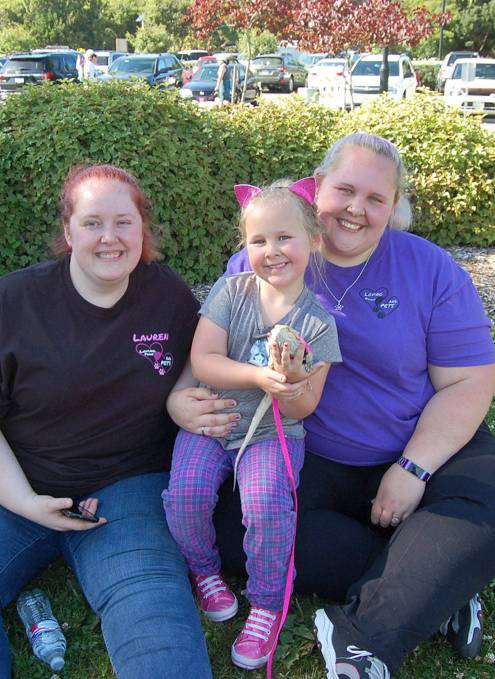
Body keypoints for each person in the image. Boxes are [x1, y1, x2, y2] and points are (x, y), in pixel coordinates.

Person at [168, 133, 495, 679]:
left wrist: (413, 469)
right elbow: (215, 339)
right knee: (231, 525)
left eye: (375, 199)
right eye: (344, 190)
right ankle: (436, 583)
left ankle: (365, 632)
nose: (355, 210)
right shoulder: (271, 251)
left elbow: (469, 382)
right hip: (300, 450)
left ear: (394, 208)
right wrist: (179, 396)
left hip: (414, 442)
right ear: (316, 189)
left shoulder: (430, 269)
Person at [0, 164, 213, 679]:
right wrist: (24, 501)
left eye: (124, 222)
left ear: (143, 230)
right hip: (3, 481)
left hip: (125, 485)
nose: (109, 238)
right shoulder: (14, 300)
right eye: (92, 223)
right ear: (68, 232)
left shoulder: (169, 296)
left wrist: (182, 396)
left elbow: (202, 357)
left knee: (152, 601)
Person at [162, 178, 341, 670]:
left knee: (266, 507)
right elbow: (203, 359)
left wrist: (291, 385)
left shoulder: (318, 324)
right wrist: (260, 375)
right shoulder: (231, 291)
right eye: (258, 241)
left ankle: (265, 604)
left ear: (314, 242)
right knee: (186, 493)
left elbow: (304, 409)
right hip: (215, 419)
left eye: (285, 238)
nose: (272, 251)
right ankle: (204, 570)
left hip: (271, 434)